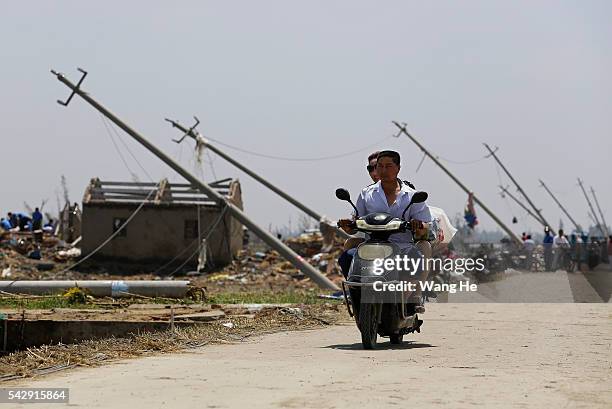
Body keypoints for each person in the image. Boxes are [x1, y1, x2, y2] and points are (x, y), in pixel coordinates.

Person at [338, 150, 432, 312]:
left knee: (416, 256)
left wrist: (419, 226)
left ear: (398, 168)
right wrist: (349, 226)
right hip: (372, 246)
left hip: (402, 247)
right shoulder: (366, 194)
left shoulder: (411, 196)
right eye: (379, 166)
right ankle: (355, 295)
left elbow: (425, 228)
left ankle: (413, 297)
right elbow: (356, 224)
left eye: (388, 166)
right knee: (347, 257)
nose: (383, 170)